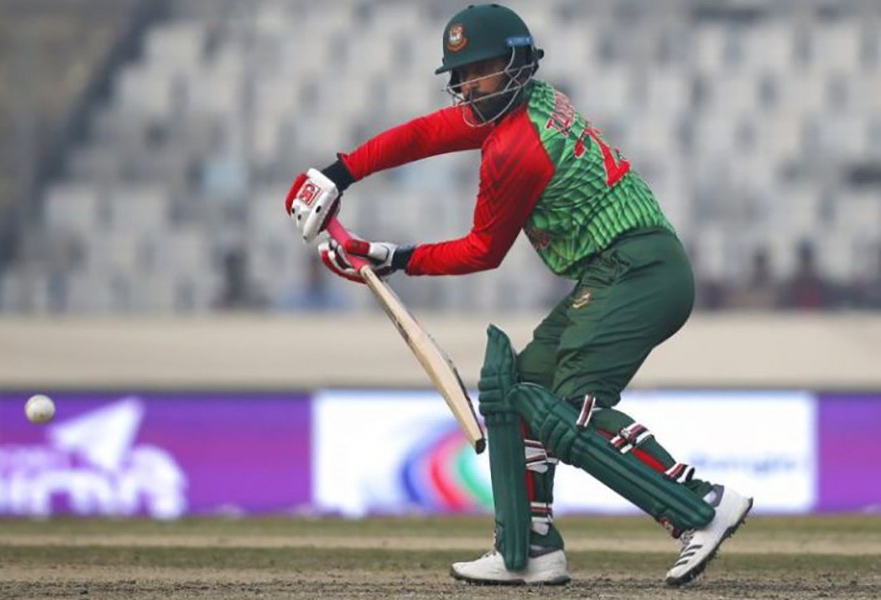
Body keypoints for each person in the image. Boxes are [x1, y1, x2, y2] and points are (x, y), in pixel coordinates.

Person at [284, 3, 752, 587]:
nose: (465, 85)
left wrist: (391, 256)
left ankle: (699, 505)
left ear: (516, 64)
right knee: (517, 391)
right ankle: (528, 548)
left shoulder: (516, 146)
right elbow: (426, 133)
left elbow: (483, 251)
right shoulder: (520, 103)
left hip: (639, 270)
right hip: (620, 270)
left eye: (479, 69)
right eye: (461, 73)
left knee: (568, 408)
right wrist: (339, 173)